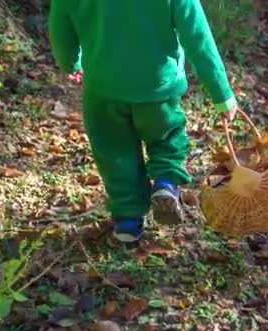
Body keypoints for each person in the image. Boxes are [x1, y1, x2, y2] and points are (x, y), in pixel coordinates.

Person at [48, 0, 238, 243]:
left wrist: (70, 63)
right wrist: (222, 94)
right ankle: (166, 183)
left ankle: (127, 221)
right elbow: (197, 35)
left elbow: (60, 26)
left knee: (114, 151)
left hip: (103, 88)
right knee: (167, 139)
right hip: (157, 88)